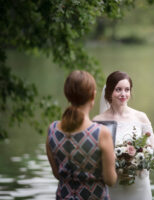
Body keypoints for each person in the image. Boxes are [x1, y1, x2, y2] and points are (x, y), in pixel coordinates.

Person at [46, 70, 117, 199]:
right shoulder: (101, 133)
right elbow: (110, 180)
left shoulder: (52, 130)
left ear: (67, 95)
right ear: (93, 95)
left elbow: (57, 174)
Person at [93, 71, 154, 200]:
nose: (123, 94)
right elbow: (95, 157)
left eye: (127, 90)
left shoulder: (141, 117)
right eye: (118, 90)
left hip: (138, 185)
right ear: (109, 91)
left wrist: (137, 164)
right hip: (114, 185)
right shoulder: (98, 121)